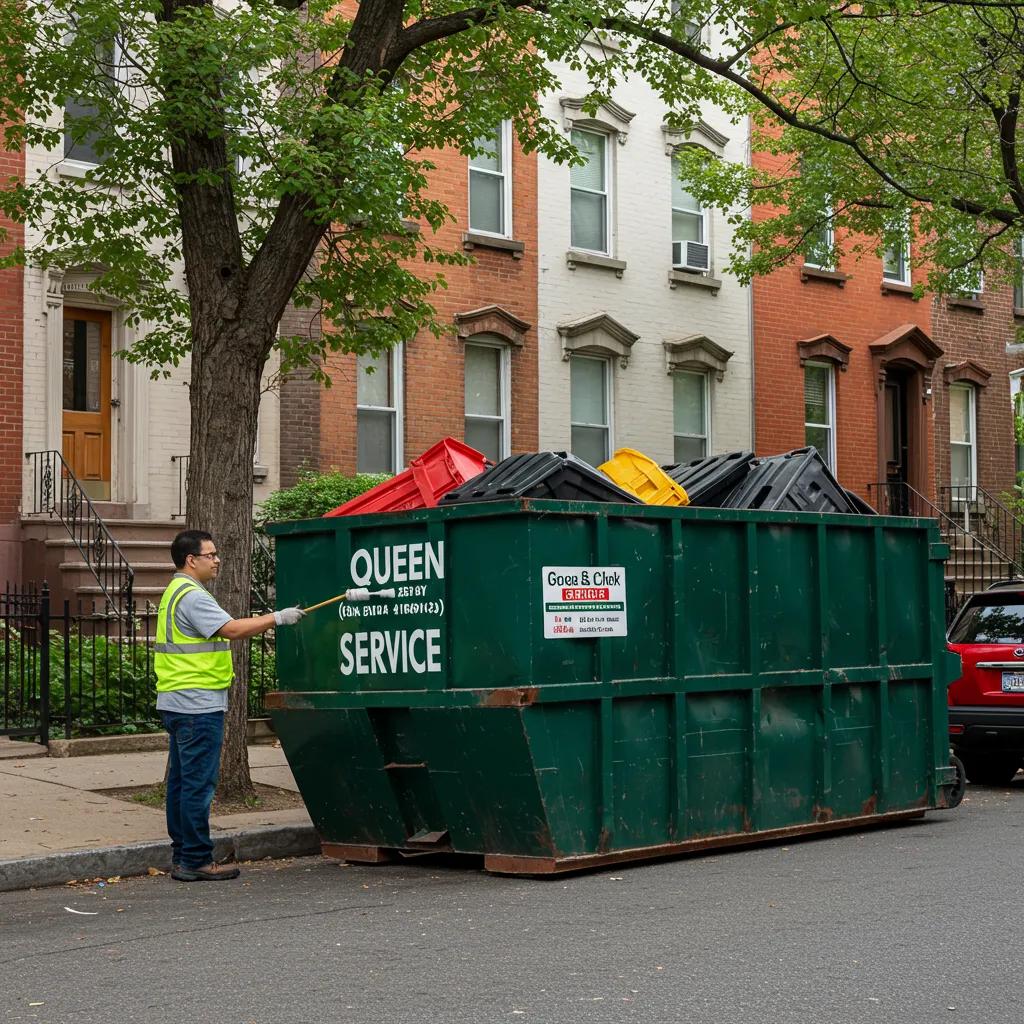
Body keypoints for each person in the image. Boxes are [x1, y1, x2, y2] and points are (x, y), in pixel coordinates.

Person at [155, 530, 306, 882]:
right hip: (197, 704)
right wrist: (278, 618)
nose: (217, 559)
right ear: (191, 560)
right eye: (211, 554)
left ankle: (183, 855)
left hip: (176, 700)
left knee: (181, 782)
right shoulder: (193, 595)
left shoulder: (174, 592)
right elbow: (233, 629)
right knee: (197, 784)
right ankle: (195, 859)